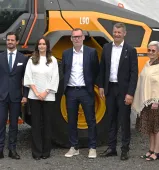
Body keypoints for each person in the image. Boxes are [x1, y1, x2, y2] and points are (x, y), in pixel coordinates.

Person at [99, 23, 138, 160]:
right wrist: (101, 86)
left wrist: (130, 93)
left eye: (119, 32)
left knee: (124, 121)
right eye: (115, 32)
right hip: (110, 88)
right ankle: (111, 148)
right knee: (111, 119)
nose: (116, 34)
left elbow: (134, 73)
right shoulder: (106, 47)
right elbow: (102, 68)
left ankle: (125, 149)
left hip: (124, 91)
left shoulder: (130, 50)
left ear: (124, 34)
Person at [62, 28, 99, 158]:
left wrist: (92, 85)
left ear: (83, 37)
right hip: (71, 91)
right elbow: (64, 71)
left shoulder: (91, 52)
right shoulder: (66, 53)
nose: (76, 39)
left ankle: (92, 147)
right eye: (74, 37)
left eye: (78, 36)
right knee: (71, 121)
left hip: (86, 91)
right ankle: (74, 147)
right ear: (71, 39)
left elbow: (96, 70)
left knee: (90, 120)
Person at [132, 41, 159, 161]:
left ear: (158, 53)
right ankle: (151, 150)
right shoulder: (147, 64)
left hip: (156, 103)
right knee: (150, 127)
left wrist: (156, 100)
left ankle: (157, 152)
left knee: (157, 127)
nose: (151, 52)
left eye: (153, 51)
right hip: (147, 101)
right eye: (149, 50)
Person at [24, 37, 59, 160]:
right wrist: (36, 92)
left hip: (48, 96)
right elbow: (28, 77)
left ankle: (46, 151)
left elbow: (55, 78)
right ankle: (37, 152)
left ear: (47, 46)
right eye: (39, 44)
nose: (41, 46)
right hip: (34, 96)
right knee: (36, 124)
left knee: (47, 124)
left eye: (44, 44)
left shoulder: (52, 60)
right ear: (37, 46)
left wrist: (45, 92)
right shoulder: (31, 60)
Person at [0, 32, 28, 159]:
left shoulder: (23, 59)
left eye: (12, 40)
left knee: (13, 125)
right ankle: (0, 150)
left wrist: (25, 95)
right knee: (0, 124)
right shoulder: (0, 57)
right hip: (1, 96)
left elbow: (26, 79)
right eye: (8, 40)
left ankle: (12, 150)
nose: (10, 42)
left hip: (16, 97)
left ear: (17, 42)